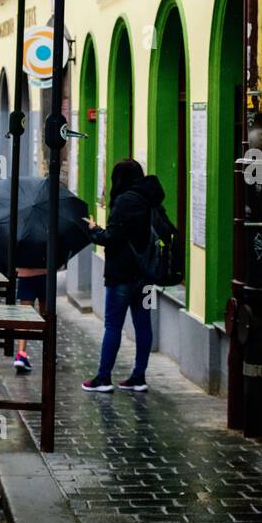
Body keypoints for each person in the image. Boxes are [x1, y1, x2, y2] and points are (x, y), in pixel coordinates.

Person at [82, 157, 166, 393]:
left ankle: (103, 377)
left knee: (113, 325)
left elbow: (112, 238)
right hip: (147, 275)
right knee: (143, 324)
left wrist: (94, 230)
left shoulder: (124, 202)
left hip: (122, 276)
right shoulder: (152, 199)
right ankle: (139, 377)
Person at [13, 265, 46, 372]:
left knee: (25, 316)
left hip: (25, 272)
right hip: (46, 272)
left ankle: (21, 354)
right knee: (46, 316)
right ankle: (49, 351)